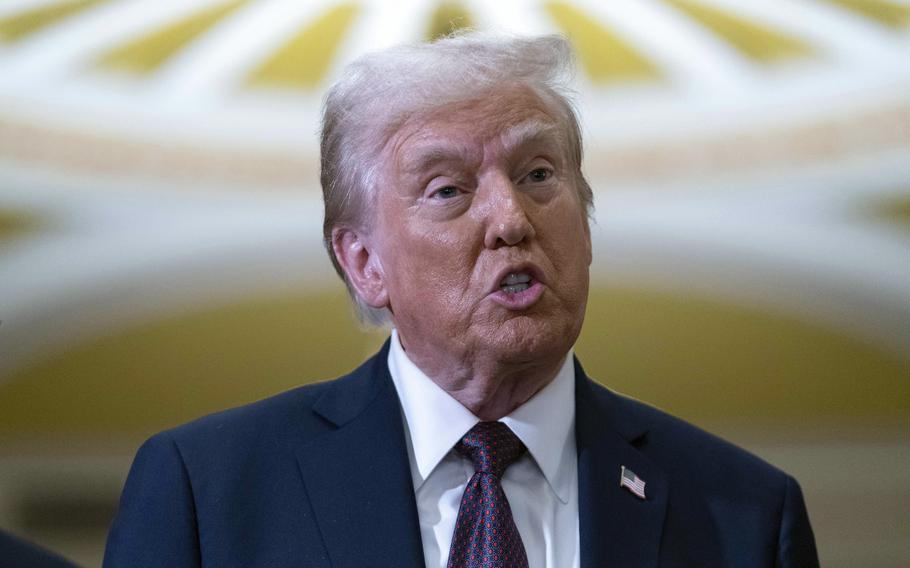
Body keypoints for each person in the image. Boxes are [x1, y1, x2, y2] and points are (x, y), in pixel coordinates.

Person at [104, 34, 819, 567]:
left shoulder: (746, 513)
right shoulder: (208, 491)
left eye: (539, 173)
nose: (512, 219)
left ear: (588, 221)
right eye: (448, 189)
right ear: (363, 263)